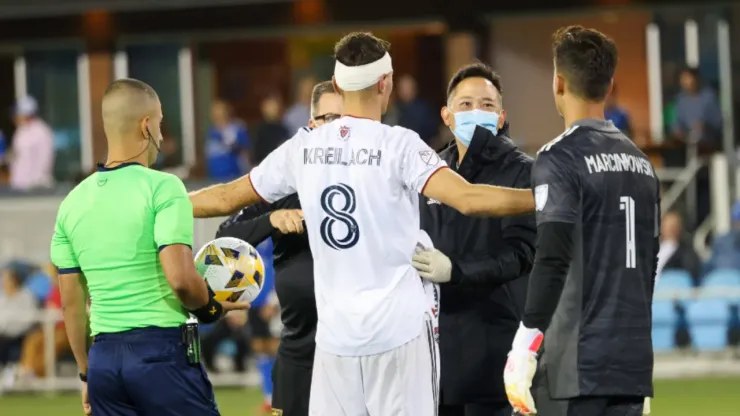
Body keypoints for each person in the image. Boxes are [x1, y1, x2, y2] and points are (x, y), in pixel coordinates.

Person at [188, 32, 535, 415]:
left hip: (336, 340)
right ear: (385, 83)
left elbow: (223, 198)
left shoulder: (302, 148)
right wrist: (545, 197)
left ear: (337, 84)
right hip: (399, 334)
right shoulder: (400, 145)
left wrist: (158, 202)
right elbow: (470, 199)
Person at [49, 78, 248, 416]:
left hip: (104, 361)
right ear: (146, 126)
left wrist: (87, 373)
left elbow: (71, 304)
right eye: (160, 122)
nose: (160, 131)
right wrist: (211, 309)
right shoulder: (163, 187)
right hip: (160, 354)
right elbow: (182, 279)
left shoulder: (71, 203)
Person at [503, 26, 659, 416]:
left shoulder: (559, 157)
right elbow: (649, 264)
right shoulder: (642, 164)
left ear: (558, 83)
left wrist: (525, 342)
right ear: (608, 86)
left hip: (575, 364)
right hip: (631, 362)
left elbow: (553, 256)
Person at [414, 63, 536, 416]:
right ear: (447, 116)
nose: (475, 112)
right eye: (465, 105)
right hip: (435, 350)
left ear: (501, 117)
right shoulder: (430, 171)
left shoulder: (522, 171)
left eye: (486, 105)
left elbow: (520, 255)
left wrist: (457, 270)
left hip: (495, 341)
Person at [216, 80, 342, 416]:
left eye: (341, 119)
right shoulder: (284, 182)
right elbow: (226, 236)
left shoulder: (378, 183)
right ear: (311, 123)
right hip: (299, 353)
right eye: (326, 118)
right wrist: (272, 220)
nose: (333, 127)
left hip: (357, 352)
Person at [9, 96, 55, 191]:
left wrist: (37, 183)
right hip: (18, 186)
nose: (15, 118)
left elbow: (46, 159)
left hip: (36, 187)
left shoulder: (41, 131)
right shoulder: (20, 131)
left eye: (17, 114)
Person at [206, 99, 251, 181]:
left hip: (234, 177)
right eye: (214, 113)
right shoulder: (211, 132)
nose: (217, 115)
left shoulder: (237, 128)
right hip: (214, 179)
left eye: (220, 111)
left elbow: (245, 152)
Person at [656, 210, 701, 285]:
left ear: (680, 229)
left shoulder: (687, 255)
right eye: (666, 225)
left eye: (673, 226)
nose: (669, 229)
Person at [253, 93, 290, 165]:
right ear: (263, 108)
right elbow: (257, 155)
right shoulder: (259, 130)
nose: (274, 109)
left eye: (275, 106)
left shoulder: (284, 129)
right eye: (270, 106)